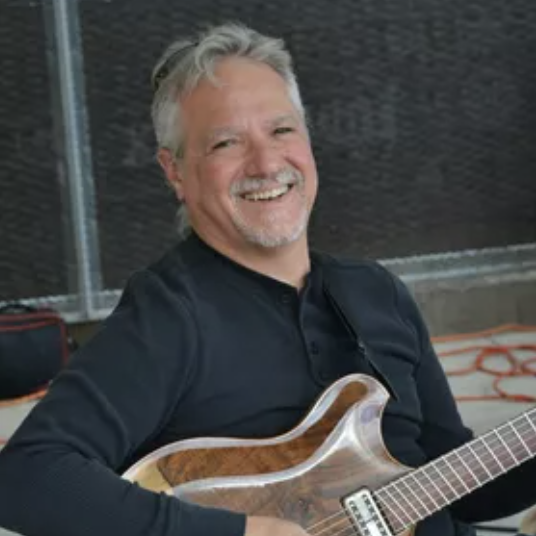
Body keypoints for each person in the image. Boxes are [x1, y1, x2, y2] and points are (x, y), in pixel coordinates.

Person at [0, 21, 534, 536]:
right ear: (175, 171)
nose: (265, 162)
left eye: (281, 130)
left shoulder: (377, 294)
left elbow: (463, 489)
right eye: (226, 143)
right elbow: (28, 474)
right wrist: (239, 533)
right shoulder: (169, 315)